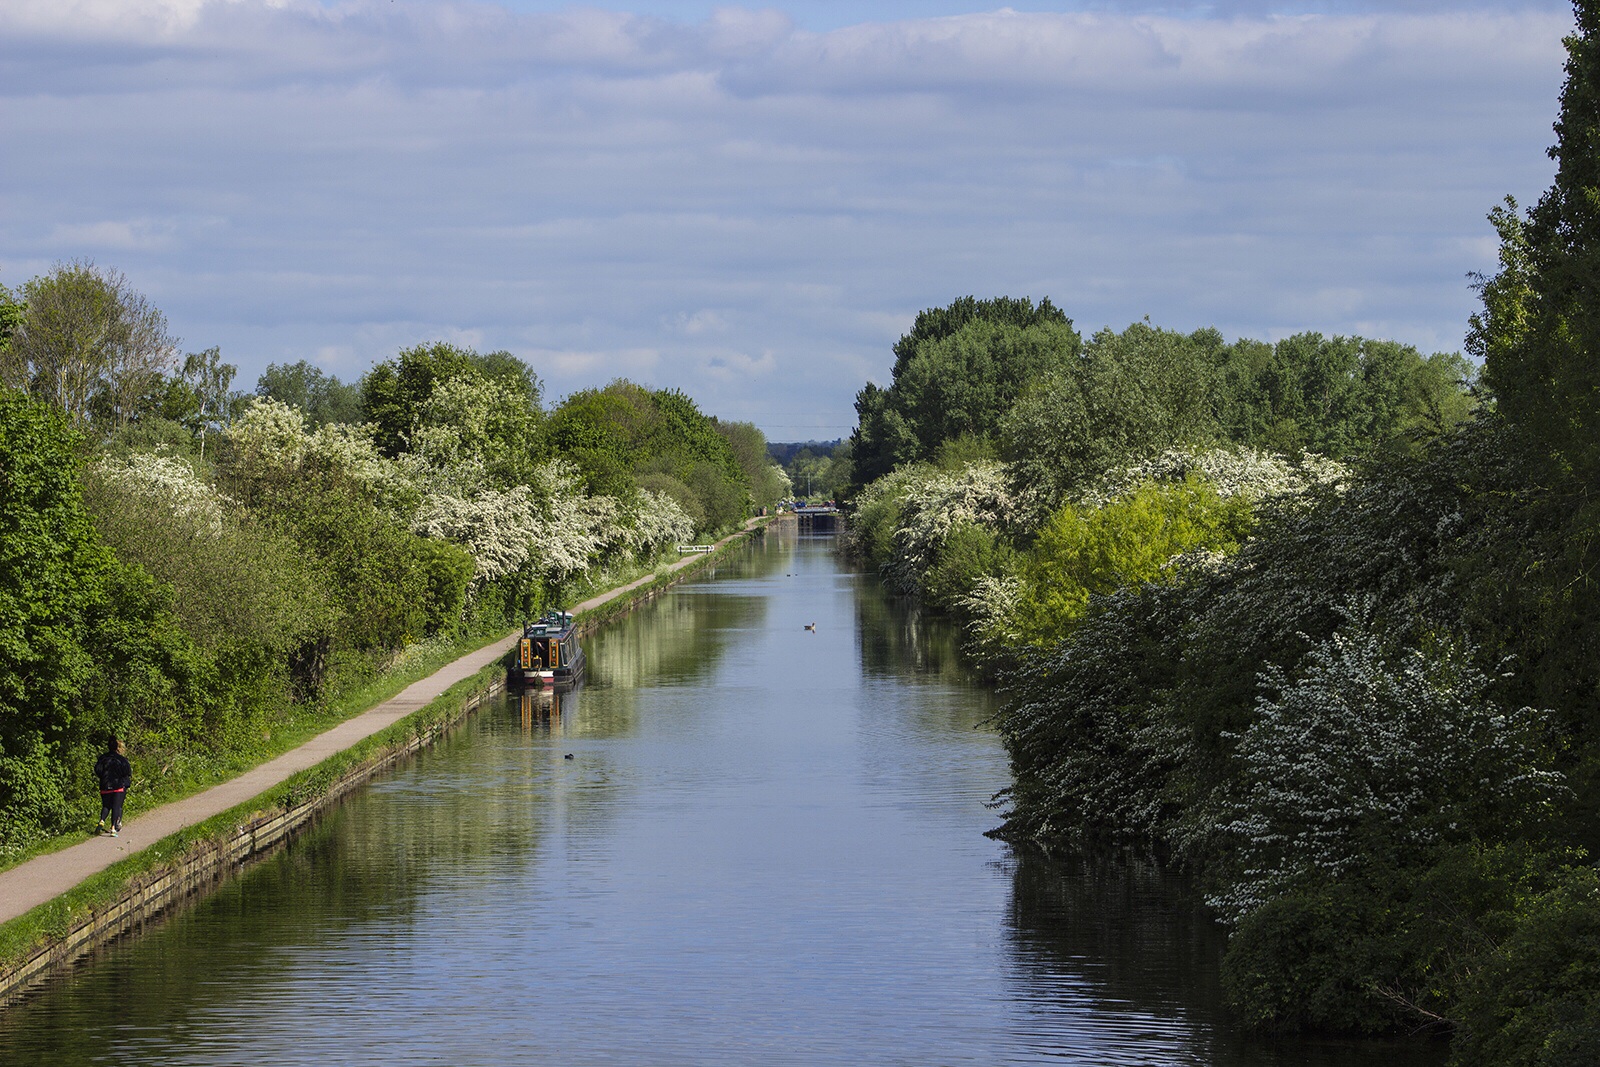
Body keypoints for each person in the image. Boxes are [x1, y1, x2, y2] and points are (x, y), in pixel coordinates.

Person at [94, 736, 132, 837]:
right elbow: (127, 771)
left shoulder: (102, 758)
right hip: (117, 786)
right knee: (116, 806)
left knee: (106, 805)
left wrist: (103, 777)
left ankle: (102, 820)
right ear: (117, 747)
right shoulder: (121, 759)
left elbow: (97, 770)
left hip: (105, 785)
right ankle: (113, 828)